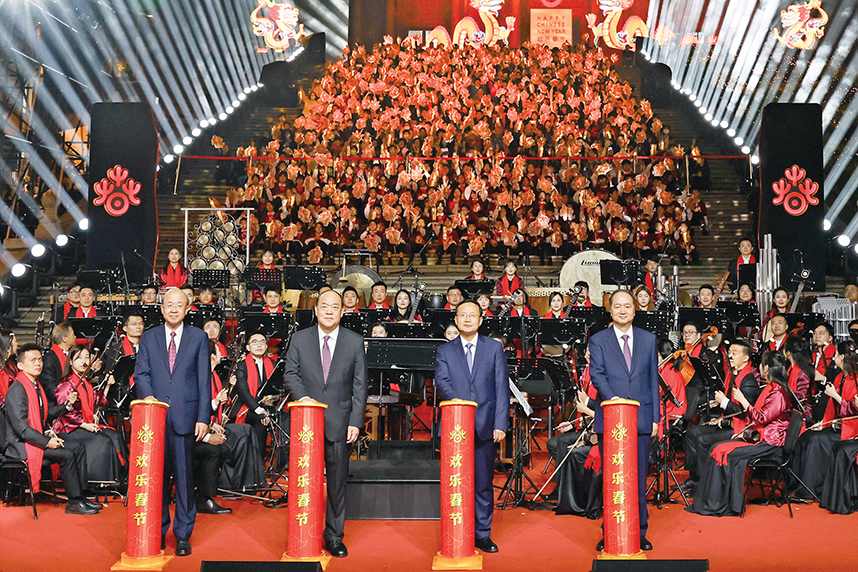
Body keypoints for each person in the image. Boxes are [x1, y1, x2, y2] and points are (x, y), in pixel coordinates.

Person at [283, 290, 367, 558]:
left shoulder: (354, 341)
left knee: (337, 482)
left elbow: (359, 384)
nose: (329, 311)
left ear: (343, 311)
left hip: (340, 422)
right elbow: (290, 375)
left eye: (335, 307)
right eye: (325, 307)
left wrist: (356, 421)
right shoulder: (299, 339)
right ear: (316, 310)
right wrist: (306, 401)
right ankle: (303, 529)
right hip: (306, 422)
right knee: (305, 480)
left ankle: (333, 535)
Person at [133, 288, 211, 557]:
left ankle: (182, 534)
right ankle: (157, 529)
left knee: (184, 479)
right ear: (162, 308)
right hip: (154, 420)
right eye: (169, 305)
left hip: (185, 418)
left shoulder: (198, 337)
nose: (174, 309)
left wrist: (203, 417)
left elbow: (204, 380)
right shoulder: (149, 337)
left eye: (180, 305)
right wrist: (151, 401)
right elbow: (141, 374)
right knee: (156, 480)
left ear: (187, 309)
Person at [434, 300, 510, 554]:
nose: (467, 319)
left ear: (480, 320)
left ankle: (482, 533)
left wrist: (500, 423)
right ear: (455, 320)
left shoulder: (493, 348)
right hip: (454, 427)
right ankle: (457, 528)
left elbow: (501, 387)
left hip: (485, 426)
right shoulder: (445, 351)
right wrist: (457, 402)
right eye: (462, 315)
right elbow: (442, 382)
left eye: (472, 316)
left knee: (482, 483)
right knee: (455, 482)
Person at [588, 290, 658, 550]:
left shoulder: (648, 339)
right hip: (612, 417)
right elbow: (597, 376)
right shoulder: (598, 340)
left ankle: (639, 531)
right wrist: (618, 402)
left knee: (638, 479)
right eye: (617, 307)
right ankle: (611, 530)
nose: (622, 311)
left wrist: (655, 418)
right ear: (610, 310)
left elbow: (653, 380)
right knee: (613, 478)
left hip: (641, 419)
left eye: (627, 306)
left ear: (634, 310)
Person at [687, 351, 792, 517]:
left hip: (770, 444)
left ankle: (722, 504)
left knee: (724, 453)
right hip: (762, 438)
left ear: (767, 369)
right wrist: (744, 432)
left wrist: (743, 401)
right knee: (716, 447)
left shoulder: (778, 393)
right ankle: (710, 501)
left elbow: (761, 418)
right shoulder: (772, 389)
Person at [4, 343, 100, 514]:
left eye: (40, 360)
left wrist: (67, 405)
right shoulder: (18, 390)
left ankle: (82, 494)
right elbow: (22, 429)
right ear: (20, 365)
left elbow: (46, 415)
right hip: (20, 445)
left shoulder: (36, 385)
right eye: (33, 360)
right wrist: (47, 442)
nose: (38, 364)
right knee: (67, 454)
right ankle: (74, 502)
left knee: (77, 448)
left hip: (34, 439)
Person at [679, 339, 759, 495]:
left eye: (734, 353)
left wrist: (725, 402)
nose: (730, 356)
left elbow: (745, 412)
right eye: (729, 352)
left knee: (703, 440)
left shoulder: (748, 380)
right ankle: (694, 477)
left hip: (740, 428)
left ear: (745, 358)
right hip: (728, 422)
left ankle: (703, 484)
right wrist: (720, 403)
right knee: (691, 432)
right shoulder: (732, 374)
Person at [792, 341, 857, 500]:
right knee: (806, 437)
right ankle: (796, 484)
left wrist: (835, 396)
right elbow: (832, 408)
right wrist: (825, 422)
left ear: (842, 357)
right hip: (839, 424)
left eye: (835, 354)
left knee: (817, 441)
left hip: (852, 429)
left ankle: (812, 489)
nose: (833, 357)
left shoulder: (855, 379)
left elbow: (853, 411)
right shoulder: (840, 376)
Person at [52, 345, 126, 486]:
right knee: (103, 441)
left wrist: (107, 387)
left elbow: (97, 402)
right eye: (79, 358)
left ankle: (119, 479)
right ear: (71, 362)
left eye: (86, 357)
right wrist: (85, 425)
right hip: (68, 429)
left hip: (83, 425)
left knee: (115, 436)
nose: (83, 361)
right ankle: (99, 482)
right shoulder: (66, 385)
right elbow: (66, 413)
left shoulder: (85, 382)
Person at [231, 332, 274, 459]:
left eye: (262, 342)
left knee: (286, 417)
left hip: (266, 404)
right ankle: (257, 462)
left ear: (266, 346)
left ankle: (282, 461)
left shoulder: (272, 364)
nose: (259, 345)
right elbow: (244, 393)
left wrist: (267, 408)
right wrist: (260, 410)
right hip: (246, 407)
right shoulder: (241, 365)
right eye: (254, 342)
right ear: (248, 347)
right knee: (260, 419)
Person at [39, 322, 76, 401]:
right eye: (72, 335)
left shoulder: (70, 354)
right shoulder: (49, 358)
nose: (75, 337)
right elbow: (49, 386)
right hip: (58, 402)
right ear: (64, 339)